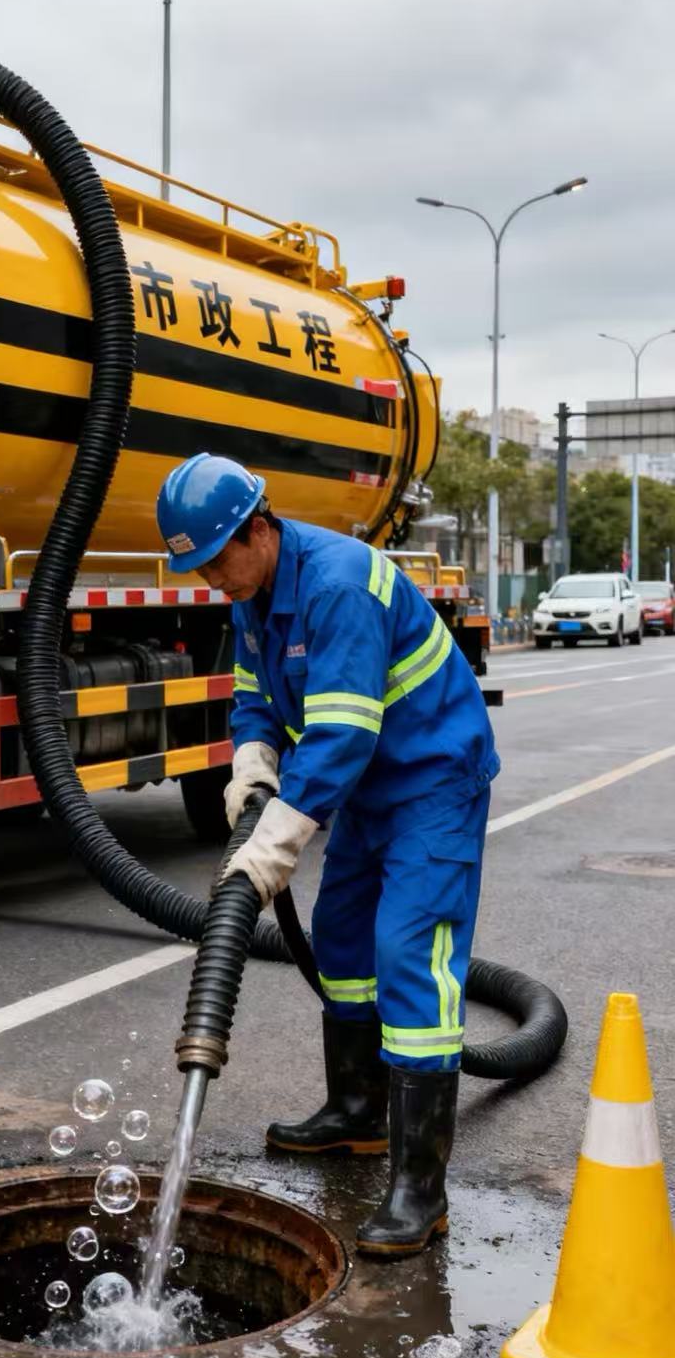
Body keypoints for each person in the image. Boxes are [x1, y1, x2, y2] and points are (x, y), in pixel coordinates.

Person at [156, 453, 499, 1258]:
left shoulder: (338, 583)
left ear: (258, 529)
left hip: (432, 782)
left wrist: (275, 840)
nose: (209, 579)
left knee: (407, 956)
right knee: (342, 943)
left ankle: (421, 1188)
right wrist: (251, 764)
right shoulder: (255, 591)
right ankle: (356, 1114)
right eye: (196, 569)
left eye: (214, 561)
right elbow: (254, 698)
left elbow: (344, 731)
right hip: (368, 790)